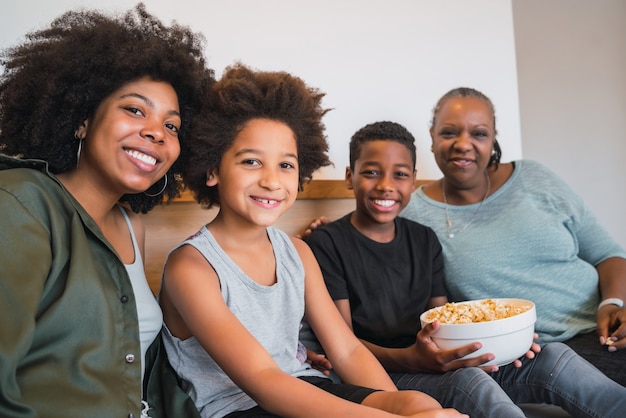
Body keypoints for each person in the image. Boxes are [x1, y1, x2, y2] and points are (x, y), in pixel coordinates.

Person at [158, 63, 466, 418]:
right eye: (252, 162)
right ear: (212, 169)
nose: (273, 181)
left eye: (286, 165)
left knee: (420, 404)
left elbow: (347, 351)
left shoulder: (298, 253)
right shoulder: (191, 267)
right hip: (238, 407)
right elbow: (263, 379)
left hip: (303, 385)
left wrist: (401, 409)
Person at [300, 120, 626, 418]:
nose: (386, 185)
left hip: (435, 362)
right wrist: (416, 359)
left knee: (553, 358)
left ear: (413, 180)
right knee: (470, 381)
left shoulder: (424, 238)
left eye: (400, 174)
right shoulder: (327, 244)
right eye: (371, 172)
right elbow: (344, 344)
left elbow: (444, 323)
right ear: (349, 177)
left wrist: (499, 347)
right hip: (383, 371)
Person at [0, 4, 214, 417]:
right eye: (135, 109)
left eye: (171, 126)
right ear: (81, 120)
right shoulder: (21, 204)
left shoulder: (132, 225)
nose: (156, 132)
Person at [398, 87, 626, 386]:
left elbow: (608, 254)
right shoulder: (412, 214)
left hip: (603, 328)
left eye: (479, 134)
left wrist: (613, 303)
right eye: (449, 132)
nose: (463, 144)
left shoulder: (535, 178)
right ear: (432, 136)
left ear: (493, 139)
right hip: (534, 353)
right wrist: (325, 230)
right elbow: (365, 240)